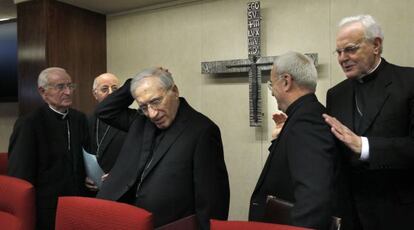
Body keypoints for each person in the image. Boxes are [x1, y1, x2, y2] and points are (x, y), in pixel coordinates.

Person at [95, 67, 230, 229]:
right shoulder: (140, 121)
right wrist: (137, 82)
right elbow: (105, 111)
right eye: (143, 106)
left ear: (174, 91)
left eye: (156, 101)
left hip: (165, 224)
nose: (152, 114)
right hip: (120, 217)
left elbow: (211, 201)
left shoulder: (202, 131)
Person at [323, 15, 414, 230]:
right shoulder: (335, 94)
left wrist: (364, 146)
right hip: (350, 214)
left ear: (376, 45)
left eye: (351, 49)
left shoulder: (409, 82)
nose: (342, 58)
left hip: (398, 213)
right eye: (339, 51)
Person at [249, 52, 338, 229]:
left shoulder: (306, 122)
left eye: (271, 84)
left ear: (286, 81)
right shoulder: (303, 116)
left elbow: (313, 199)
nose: (272, 92)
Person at [8, 67, 90, 230]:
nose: (68, 92)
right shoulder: (29, 123)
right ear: (43, 92)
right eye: (60, 87)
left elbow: (86, 157)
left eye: (70, 86)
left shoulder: (79, 119)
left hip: (78, 202)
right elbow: (20, 175)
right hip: (46, 207)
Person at [89, 73, 126, 173]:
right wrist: (86, 175)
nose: (110, 93)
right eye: (104, 89)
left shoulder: (132, 120)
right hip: (93, 184)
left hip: (121, 181)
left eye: (115, 89)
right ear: (95, 94)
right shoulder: (87, 120)